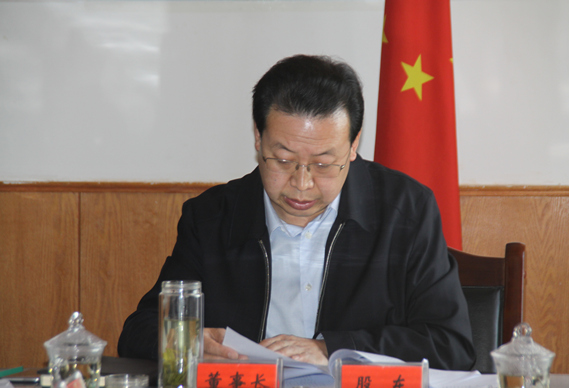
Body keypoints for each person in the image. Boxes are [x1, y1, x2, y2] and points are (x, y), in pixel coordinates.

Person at [118, 54, 476, 370]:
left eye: (323, 164)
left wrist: (332, 349)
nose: (302, 184)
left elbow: (450, 345)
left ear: (353, 145)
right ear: (258, 138)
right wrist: (190, 343)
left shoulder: (405, 212)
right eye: (283, 160)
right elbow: (140, 330)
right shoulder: (213, 217)